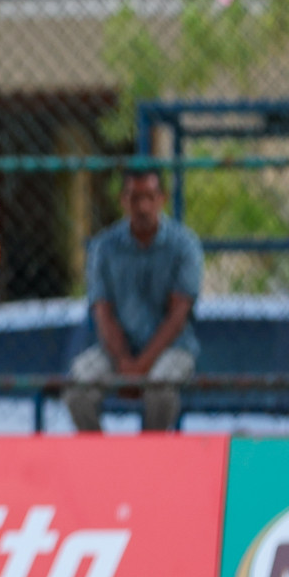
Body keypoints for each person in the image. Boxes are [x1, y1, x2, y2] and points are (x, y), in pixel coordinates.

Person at [63, 170, 202, 433]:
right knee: (78, 388)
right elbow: (103, 312)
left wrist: (142, 365)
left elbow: (177, 316)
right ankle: (102, 461)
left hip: (171, 348)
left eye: (149, 197)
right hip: (116, 349)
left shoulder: (184, 246)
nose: (143, 207)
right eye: (135, 198)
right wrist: (125, 361)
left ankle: (150, 458)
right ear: (123, 201)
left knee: (160, 388)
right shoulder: (104, 247)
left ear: (162, 198)